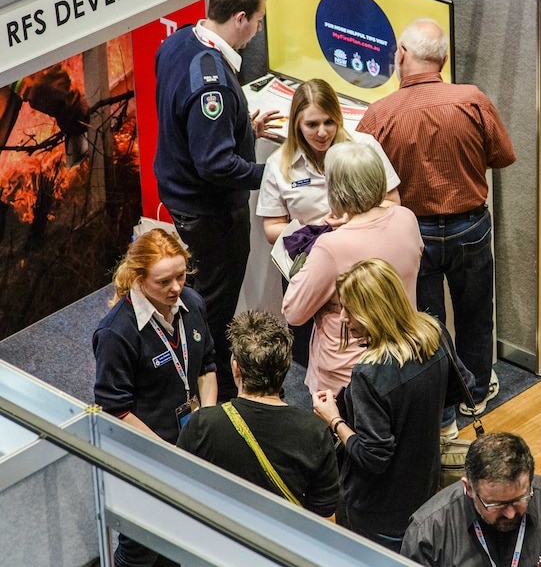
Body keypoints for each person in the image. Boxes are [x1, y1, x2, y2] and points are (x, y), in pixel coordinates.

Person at [357, 18, 516, 423]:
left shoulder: (378, 114)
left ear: (402, 56)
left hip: (411, 232)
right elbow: (502, 156)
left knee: (425, 322)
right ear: (443, 60)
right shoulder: (473, 99)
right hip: (471, 227)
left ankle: (441, 406)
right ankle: (476, 393)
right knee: (476, 313)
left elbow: (361, 180)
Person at [154, 0, 282, 402]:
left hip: (182, 197)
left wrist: (241, 127)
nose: (259, 30)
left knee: (198, 296)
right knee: (213, 307)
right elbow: (216, 165)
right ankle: (218, 394)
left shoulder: (176, 43)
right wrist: (274, 175)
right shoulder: (213, 82)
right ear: (241, 18)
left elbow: (186, 119)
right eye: (259, 21)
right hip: (211, 214)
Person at [311, 258, 465, 552]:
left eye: (349, 310)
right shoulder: (435, 334)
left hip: (377, 510)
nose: (343, 318)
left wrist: (334, 419)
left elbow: (373, 457)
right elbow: (462, 388)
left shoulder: (369, 374)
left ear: (374, 311)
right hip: (425, 488)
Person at [93, 228, 217, 567]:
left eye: (181, 275)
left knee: (181, 533)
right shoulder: (116, 332)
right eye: (164, 282)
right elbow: (114, 408)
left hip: (187, 442)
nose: (176, 288)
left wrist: (206, 419)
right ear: (138, 278)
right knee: (140, 549)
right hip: (145, 453)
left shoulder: (191, 303)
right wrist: (168, 454)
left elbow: (206, 363)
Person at [256, 78, 400, 367]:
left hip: (363, 265)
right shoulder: (278, 163)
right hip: (310, 266)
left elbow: (394, 202)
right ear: (296, 124)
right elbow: (272, 229)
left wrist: (352, 220)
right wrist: (316, 228)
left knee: (372, 348)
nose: (322, 133)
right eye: (311, 125)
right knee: (313, 353)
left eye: (329, 122)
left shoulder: (364, 147)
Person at [282, 141, 422, 395]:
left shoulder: (331, 246)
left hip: (348, 374)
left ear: (335, 189)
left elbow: (294, 312)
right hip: (402, 358)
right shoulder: (406, 218)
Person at [177, 309, 338, 516]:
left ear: (236, 368)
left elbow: (179, 489)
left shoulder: (202, 424)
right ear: (286, 367)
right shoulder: (316, 432)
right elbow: (324, 517)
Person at [400, 432, 541, 567]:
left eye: (520, 499)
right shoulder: (428, 532)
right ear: (469, 488)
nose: (511, 513)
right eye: (496, 504)